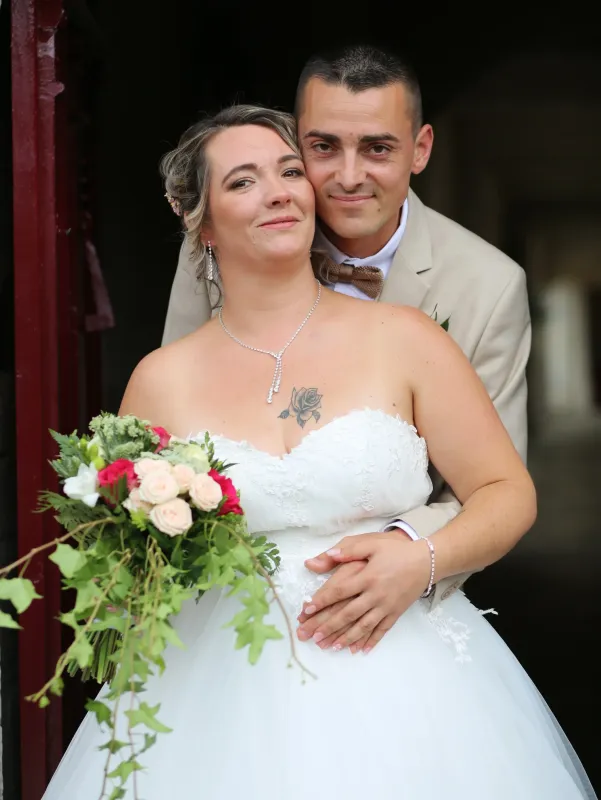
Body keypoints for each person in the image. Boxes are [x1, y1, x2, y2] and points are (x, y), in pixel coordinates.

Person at [43, 105, 595, 800]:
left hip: (411, 679)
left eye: (289, 172)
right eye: (243, 181)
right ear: (201, 223)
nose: (278, 192)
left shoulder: (404, 338)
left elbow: (506, 492)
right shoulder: (160, 380)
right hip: (217, 693)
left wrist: (420, 559)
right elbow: (129, 573)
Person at [162, 45, 531, 653]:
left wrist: (407, 555)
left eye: (378, 149)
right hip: (233, 608)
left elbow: (493, 487)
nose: (349, 176)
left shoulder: (487, 287)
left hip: (389, 606)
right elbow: (175, 423)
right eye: (324, 147)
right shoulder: (223, 244)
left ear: (421, 150)